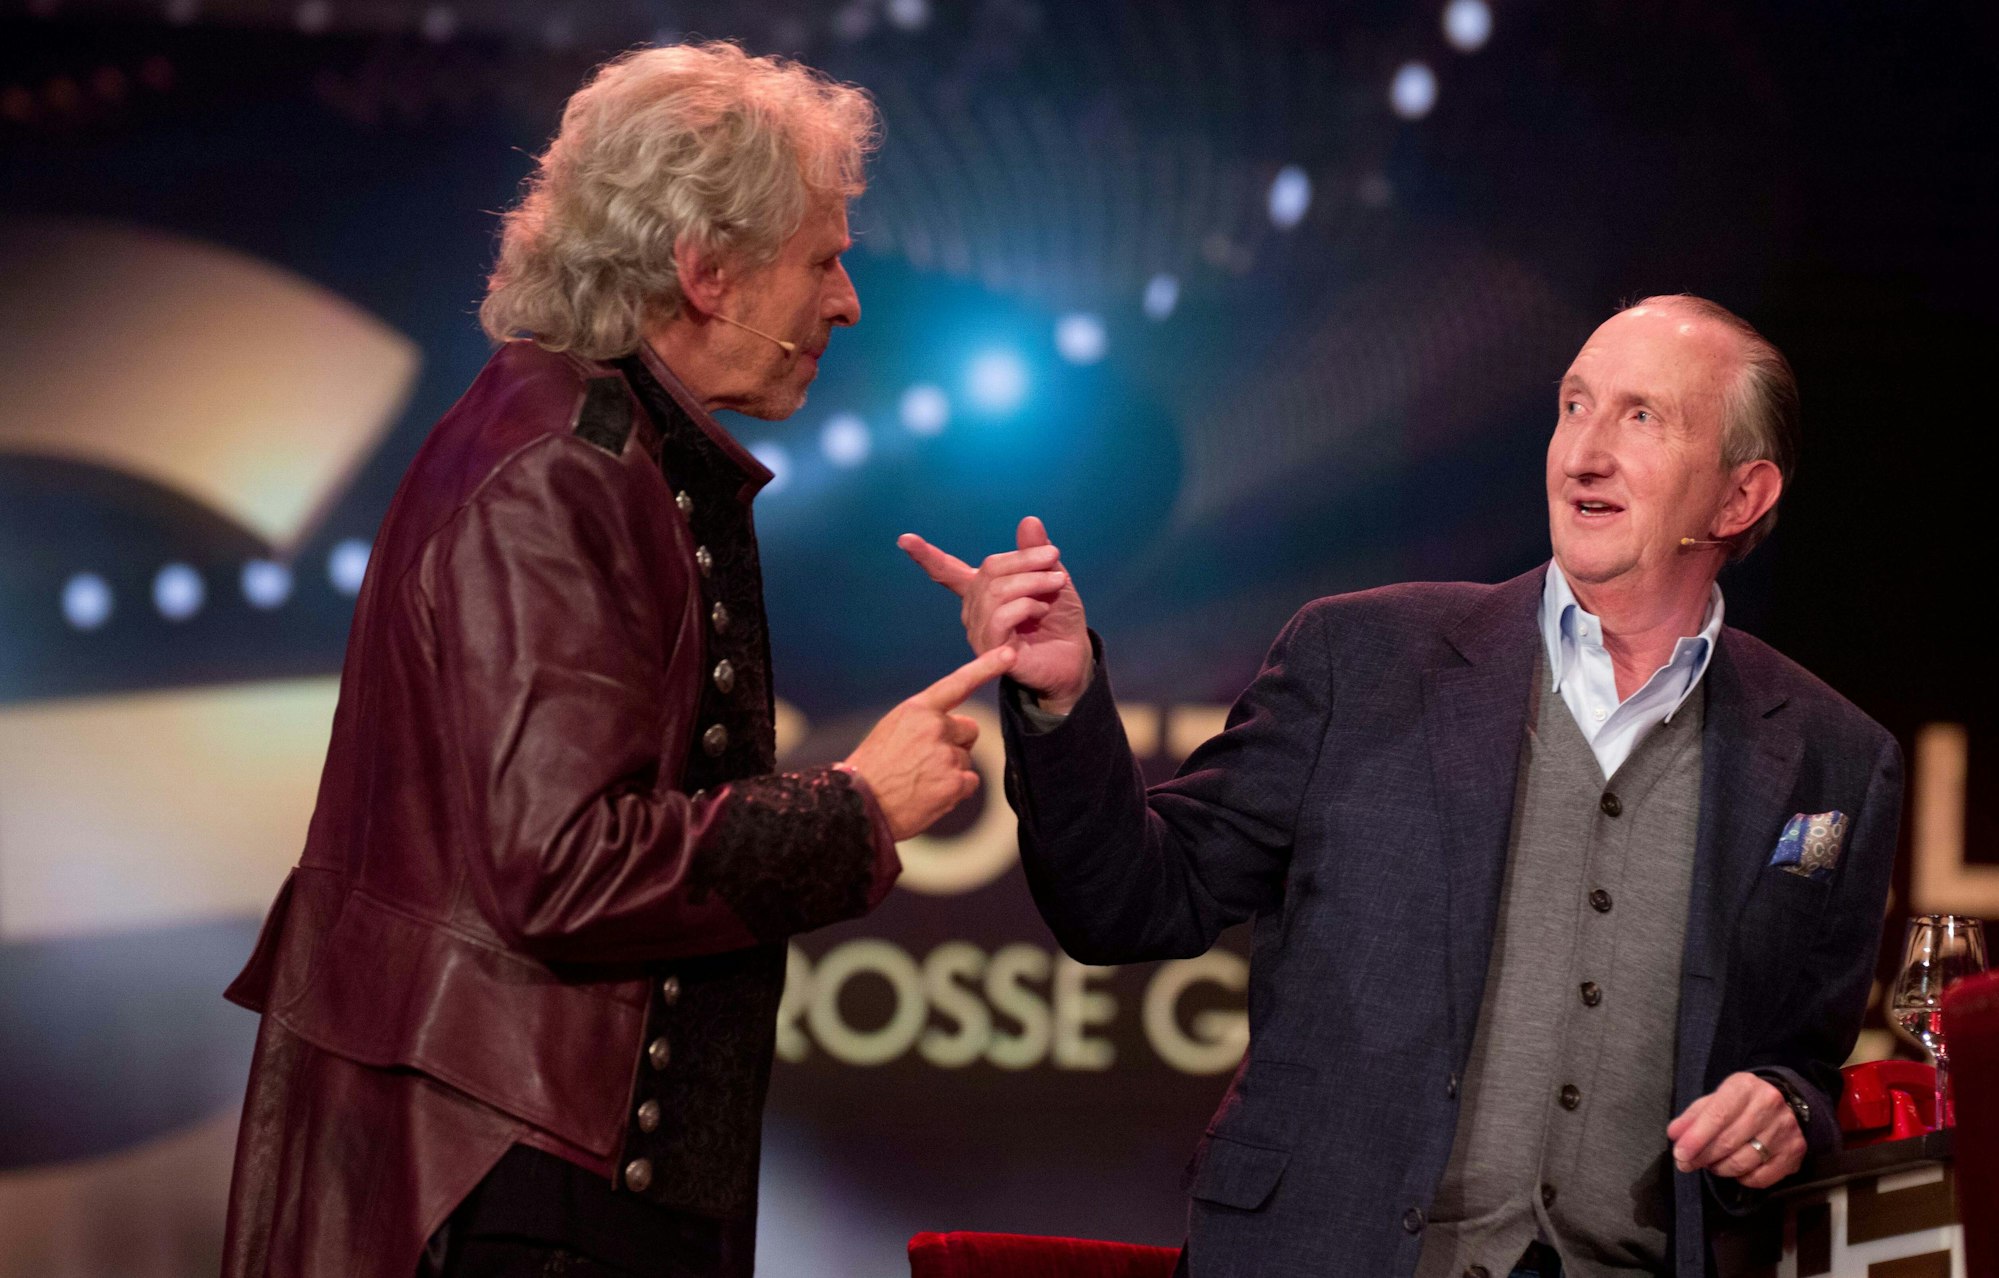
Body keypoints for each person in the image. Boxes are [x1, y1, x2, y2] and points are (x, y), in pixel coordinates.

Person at [901, 296, 1902, 1278]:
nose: (1583, 453)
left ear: (1740, 496)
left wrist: (1782, 1110)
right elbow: (1129, 902)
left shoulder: (1832, 757)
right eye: (1573, 405)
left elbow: (1800, 1067)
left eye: (1641, 418)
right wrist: (1064, 702)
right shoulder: (1364, 655)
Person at [220, 41, 1014, 1278]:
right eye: (822, 259)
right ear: (702, 270)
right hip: (525, 1172)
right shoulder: (559, 471)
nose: (847, 300)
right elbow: (562, 868)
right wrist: (852, 808)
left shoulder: (602, 446)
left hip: (552, 1152)